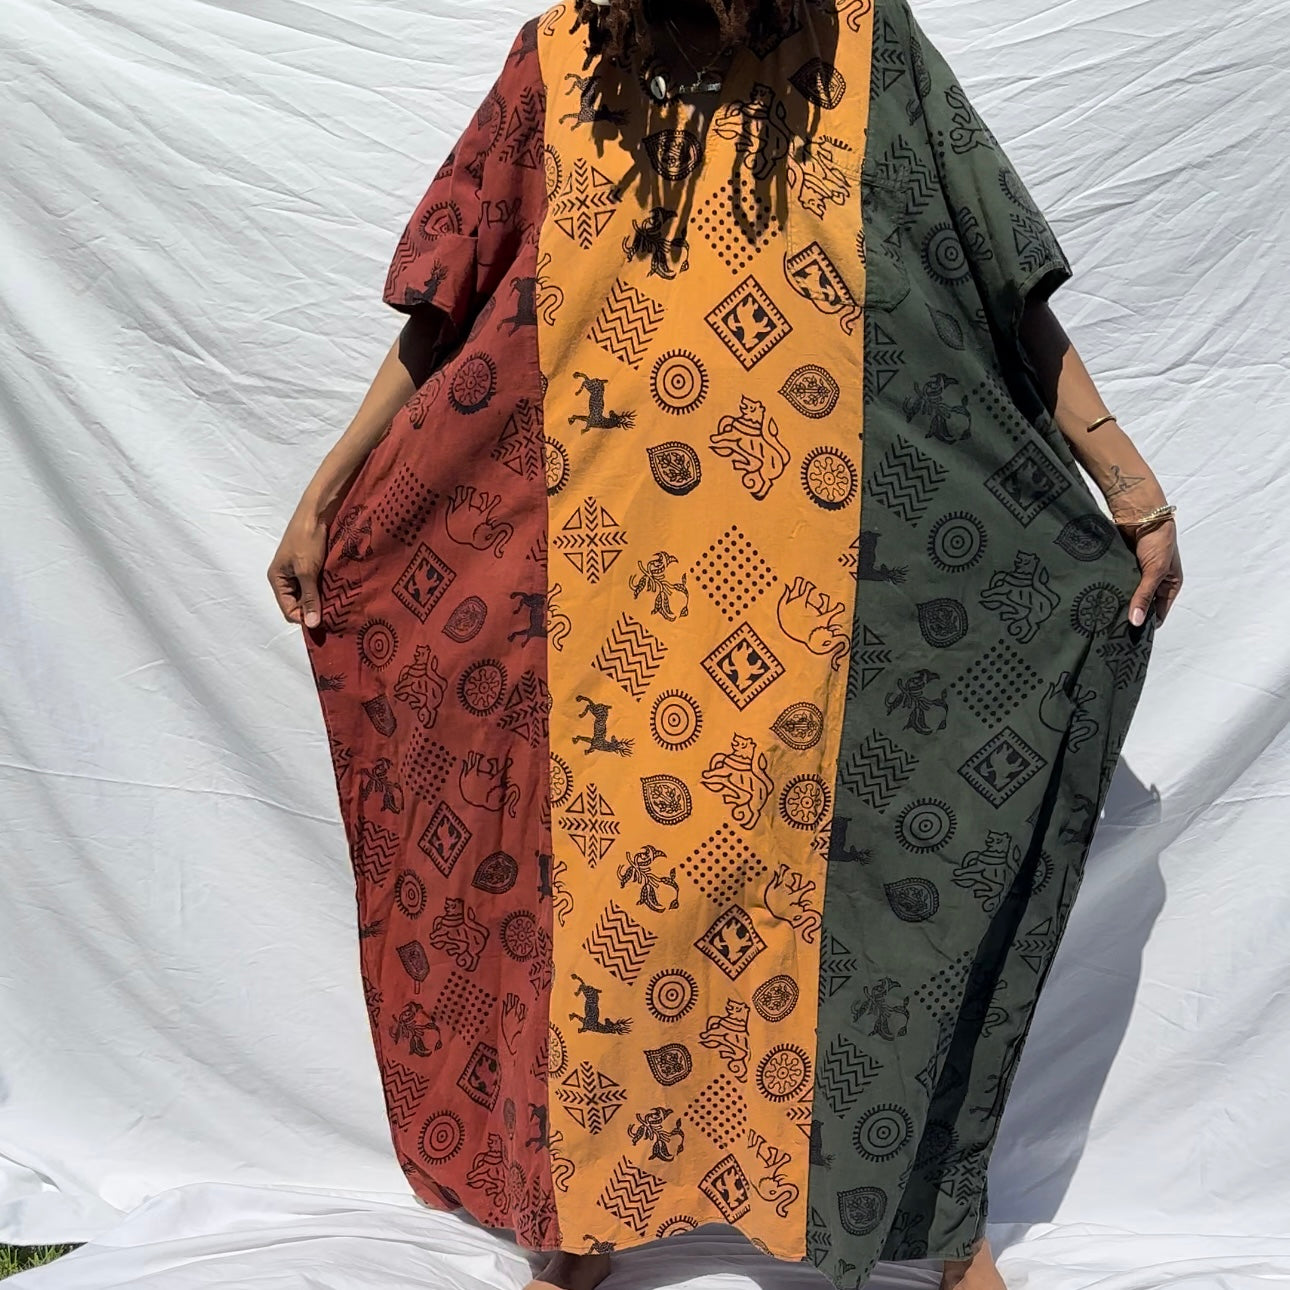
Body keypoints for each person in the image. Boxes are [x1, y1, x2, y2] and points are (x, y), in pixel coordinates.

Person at [267, 0, 1182, 1287]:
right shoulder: (560, 63)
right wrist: (329, 491)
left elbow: (996, 280)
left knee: (865, 911)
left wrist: (1125, 482)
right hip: (605, 593)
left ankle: (929, 1222)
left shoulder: (868, 51)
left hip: (838, 596)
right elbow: (447, 308)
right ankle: (580, 1208)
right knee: (600, 910)